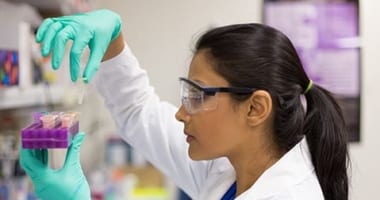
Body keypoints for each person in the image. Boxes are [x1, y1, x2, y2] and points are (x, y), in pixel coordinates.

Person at [19, 9, 349, 200]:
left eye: (198, 96)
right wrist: (113, 41)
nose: (180, 113)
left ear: (255, 109)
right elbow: (138, 110)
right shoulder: (232, 168)